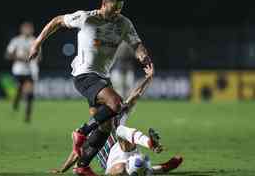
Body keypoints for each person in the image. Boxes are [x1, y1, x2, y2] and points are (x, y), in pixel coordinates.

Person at [29, 0, 154, 176]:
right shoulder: (86, 18)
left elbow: (136, 45)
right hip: (84, 75)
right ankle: (80, 132)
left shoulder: (123, 24)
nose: (116, 13)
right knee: (117, 103)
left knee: (105, 127)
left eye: (120, 9)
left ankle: (82, 166)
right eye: (113, 9)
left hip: (102, 77)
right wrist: (37, 43)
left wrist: (145, 59)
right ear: (103, 4)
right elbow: (57, 21)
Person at [49, 65, 183, 175]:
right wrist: (62, 169)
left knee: (120, 131)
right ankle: (158, 168)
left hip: (128, 149)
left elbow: (135, 95)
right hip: (112, 161)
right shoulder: (91, 129)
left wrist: (149, 78)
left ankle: (149, 146)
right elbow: (77, 154)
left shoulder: (117, 114)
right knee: (122, 169)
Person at [5, 22, 40, 123]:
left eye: (30, 28)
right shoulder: (16, 41)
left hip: (30, 71)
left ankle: (27, 116)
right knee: (19, 90)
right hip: (18, 70)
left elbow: (39, 57)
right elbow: (8, 55)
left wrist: (34, 58)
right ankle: (16, 103)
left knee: (29, 93)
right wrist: (20, 58)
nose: (28, 30)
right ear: (22, 29)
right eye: (26, 28)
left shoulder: (34, 40)